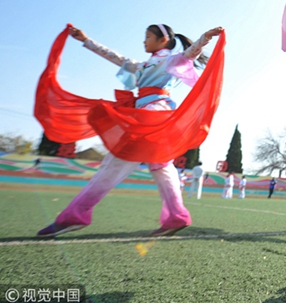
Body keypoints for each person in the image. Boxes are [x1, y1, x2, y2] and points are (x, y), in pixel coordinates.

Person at [36, 24, 223, 238]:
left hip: (152, 115)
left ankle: (74, 215)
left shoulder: (169, 60)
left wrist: (204, 38)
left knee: (116, 161)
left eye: (148, 36)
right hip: (148, 114)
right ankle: (176, 216)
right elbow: (116, 58)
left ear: (162, 40)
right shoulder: (143, 65)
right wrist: (86, 40)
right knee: (161, 165)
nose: (144, 41)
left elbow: (189, 54)